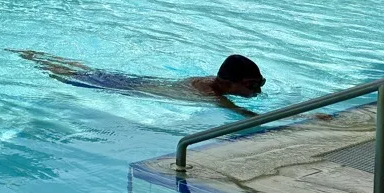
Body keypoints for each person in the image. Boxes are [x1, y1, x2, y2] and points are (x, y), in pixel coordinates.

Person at [19, 50, 265, 115]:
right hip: (128, 88)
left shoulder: (213, 83)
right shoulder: (210, 93)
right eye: (253, 85)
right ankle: (33, 59)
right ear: (229, 83)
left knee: (89, 72)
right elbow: (238, 112)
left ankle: (37, 55)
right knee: (72, 78)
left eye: (260, 83)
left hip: (136, 83)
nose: (257, 91)